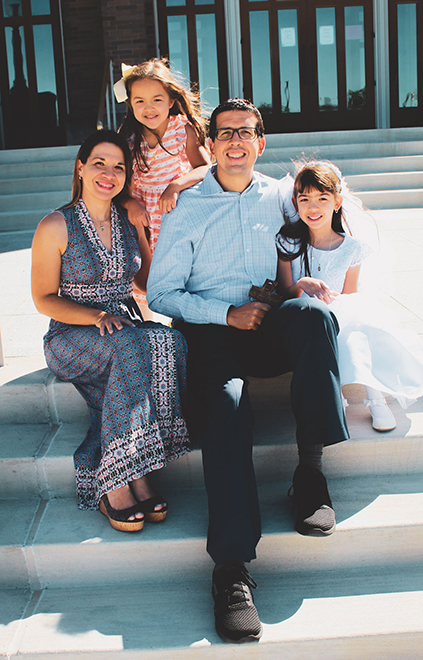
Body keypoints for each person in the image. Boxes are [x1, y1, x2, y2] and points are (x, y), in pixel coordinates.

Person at [147, 99, 349, 643]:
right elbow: (162, 293)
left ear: (261, 143)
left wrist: (303, 285)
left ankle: (309, 474)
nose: (235, 141)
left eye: (246, 132)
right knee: (229, 407)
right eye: (224, 133)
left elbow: (329, 212)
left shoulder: (280, 198)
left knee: (312, 315)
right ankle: (231, 571)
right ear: (208, 145)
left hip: (266, 320)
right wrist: (224, 314)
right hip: (212, 334)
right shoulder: (185, 210)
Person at [31, 130, 190, 533]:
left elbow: (148, 283)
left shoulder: (127, 217)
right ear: (81, 168)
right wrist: (96, 317)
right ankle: (118, 479)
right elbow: (44, 298)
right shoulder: (55, 224)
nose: (109, 172)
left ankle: (135, 469)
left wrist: (141, 229)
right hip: (71, 334)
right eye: (99, 163)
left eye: (119, 166)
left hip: (124, 329)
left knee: (168, 341)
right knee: (131, 346)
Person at [276, 160, 423, 431]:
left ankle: (375, 397)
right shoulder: (289, 242)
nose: (313, 207)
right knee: (323, 321)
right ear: (296, 202)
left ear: (337, 201)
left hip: (341, 314)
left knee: (357, 314)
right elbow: (285, 294)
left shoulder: (352, 248)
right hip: (304, 319)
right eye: (305, 199)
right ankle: (336, 396)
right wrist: (303, 284)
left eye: (322, 198)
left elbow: (350, 296)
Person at [114, 58, 211, 253]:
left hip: (175, 214)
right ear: (131, 105)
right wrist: (130, 203)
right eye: (139, 101)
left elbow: (207, 168)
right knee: (145, 276)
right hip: (142, 220)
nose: (148, 108)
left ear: (171, 100)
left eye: (157, 100)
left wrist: (175, 186)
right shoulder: (129, 140)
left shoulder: (181, 130)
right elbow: (119, 190)